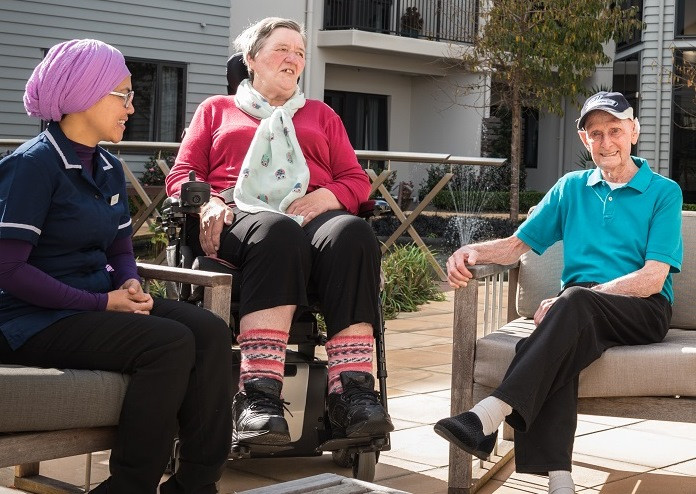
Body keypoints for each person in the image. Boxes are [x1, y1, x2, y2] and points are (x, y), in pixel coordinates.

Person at [0, 39, 233, 494]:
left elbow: (120, 249)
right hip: (29, 320)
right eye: (123, 94)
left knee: (209, 330)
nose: (132, 105)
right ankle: (130, 486)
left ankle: (195, 485)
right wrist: (102, 301)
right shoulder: (32, 166)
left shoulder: (107, 165)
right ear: (85, 96)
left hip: (92, 303)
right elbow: (8, 270)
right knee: (167, 344)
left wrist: (128, 282)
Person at [434, 91, 683, 493]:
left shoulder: (663, 192)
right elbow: (517, 245)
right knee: (555, 344)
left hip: (643, 308)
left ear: (634, 132)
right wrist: (473, 250)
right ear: (585, 141)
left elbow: (653, 278)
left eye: (615, 131)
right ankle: (560, 479)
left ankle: (486, 415)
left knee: (570, 307)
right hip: (579, 309)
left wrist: (582, 297)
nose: (606, 142)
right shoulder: (571, 188)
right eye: (595, 134)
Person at [165, 17, 394, 445]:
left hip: (310, 215)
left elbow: (356, 180)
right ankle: (258, 396)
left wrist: (325, 198)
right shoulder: (216, 110)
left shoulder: (321, 116)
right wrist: (210, 201)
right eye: (282, 49)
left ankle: (353, 392)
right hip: (238, 218)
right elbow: (181, 175)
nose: (294, 59)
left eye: (300, 52)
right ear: (251, 59)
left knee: (354, 234)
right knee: (277, 231)